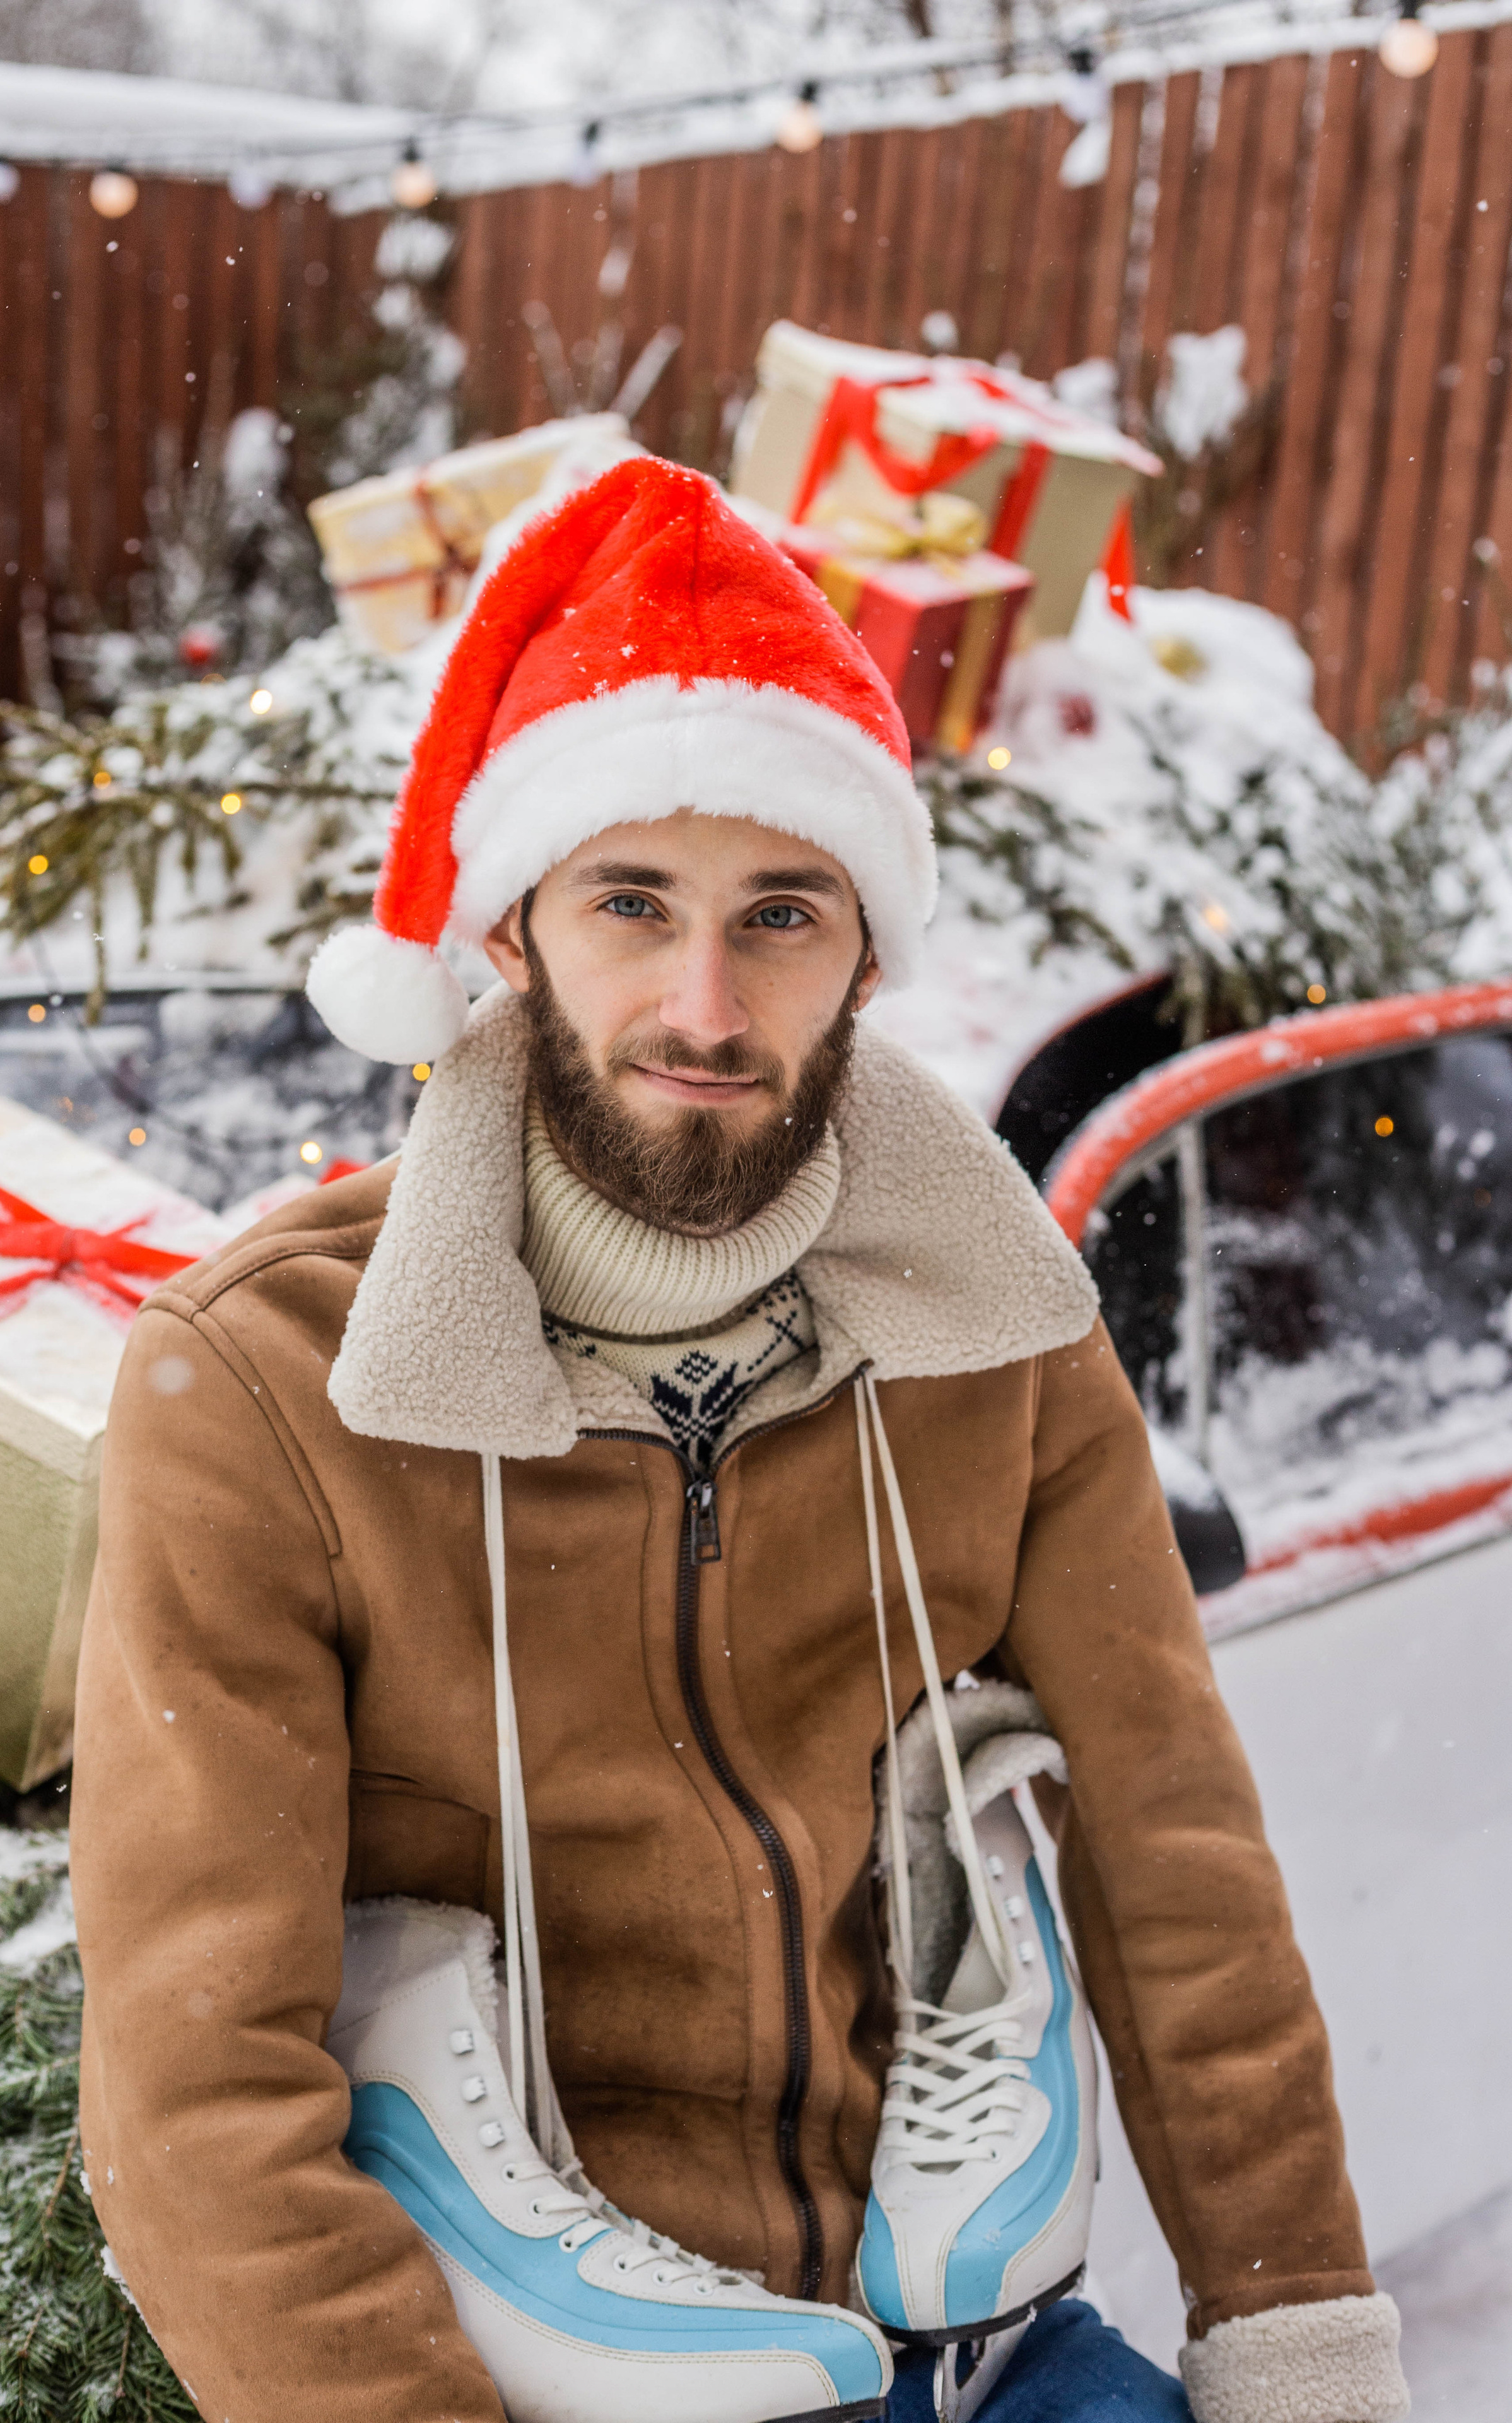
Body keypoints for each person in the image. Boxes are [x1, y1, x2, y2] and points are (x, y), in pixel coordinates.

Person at [70, 457, 1407, 2423]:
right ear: (512, 933)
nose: (706, 1004)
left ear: (866, 954)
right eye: (634, 903)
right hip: (544, 2368)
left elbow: (1178, 1871)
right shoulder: (271, 1385)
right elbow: (201, 2086)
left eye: (782, 915)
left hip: (988, 2335)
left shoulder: (999, 1332)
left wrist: (1297, 2340)